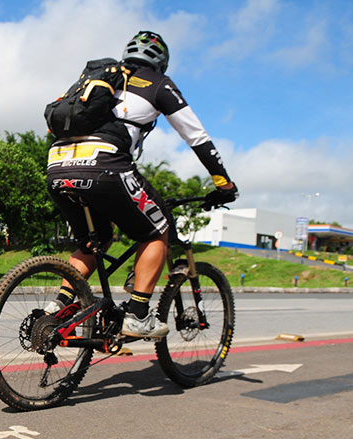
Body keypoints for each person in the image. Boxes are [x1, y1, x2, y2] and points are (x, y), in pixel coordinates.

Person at [45, 30, 238, 338]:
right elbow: (197, 137)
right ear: (161, 62)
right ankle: (136, 314)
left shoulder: (99, 80)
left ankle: (58, 308)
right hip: (105, 164)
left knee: (96, 240)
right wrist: (223, 183)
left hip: (57, 165)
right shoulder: (159, 83)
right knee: (157, 228)